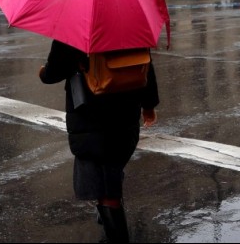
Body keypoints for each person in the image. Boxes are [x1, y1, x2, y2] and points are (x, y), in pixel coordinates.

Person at [39, 40, 159, 243]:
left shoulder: (75, 27)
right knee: (110, 173)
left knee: (105, 188)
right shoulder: (131, 26)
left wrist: (43, 72)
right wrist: (148, 105)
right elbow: (146, 66)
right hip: (126, 115)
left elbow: (53, 72)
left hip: (93, 119)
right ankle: (108, 215)